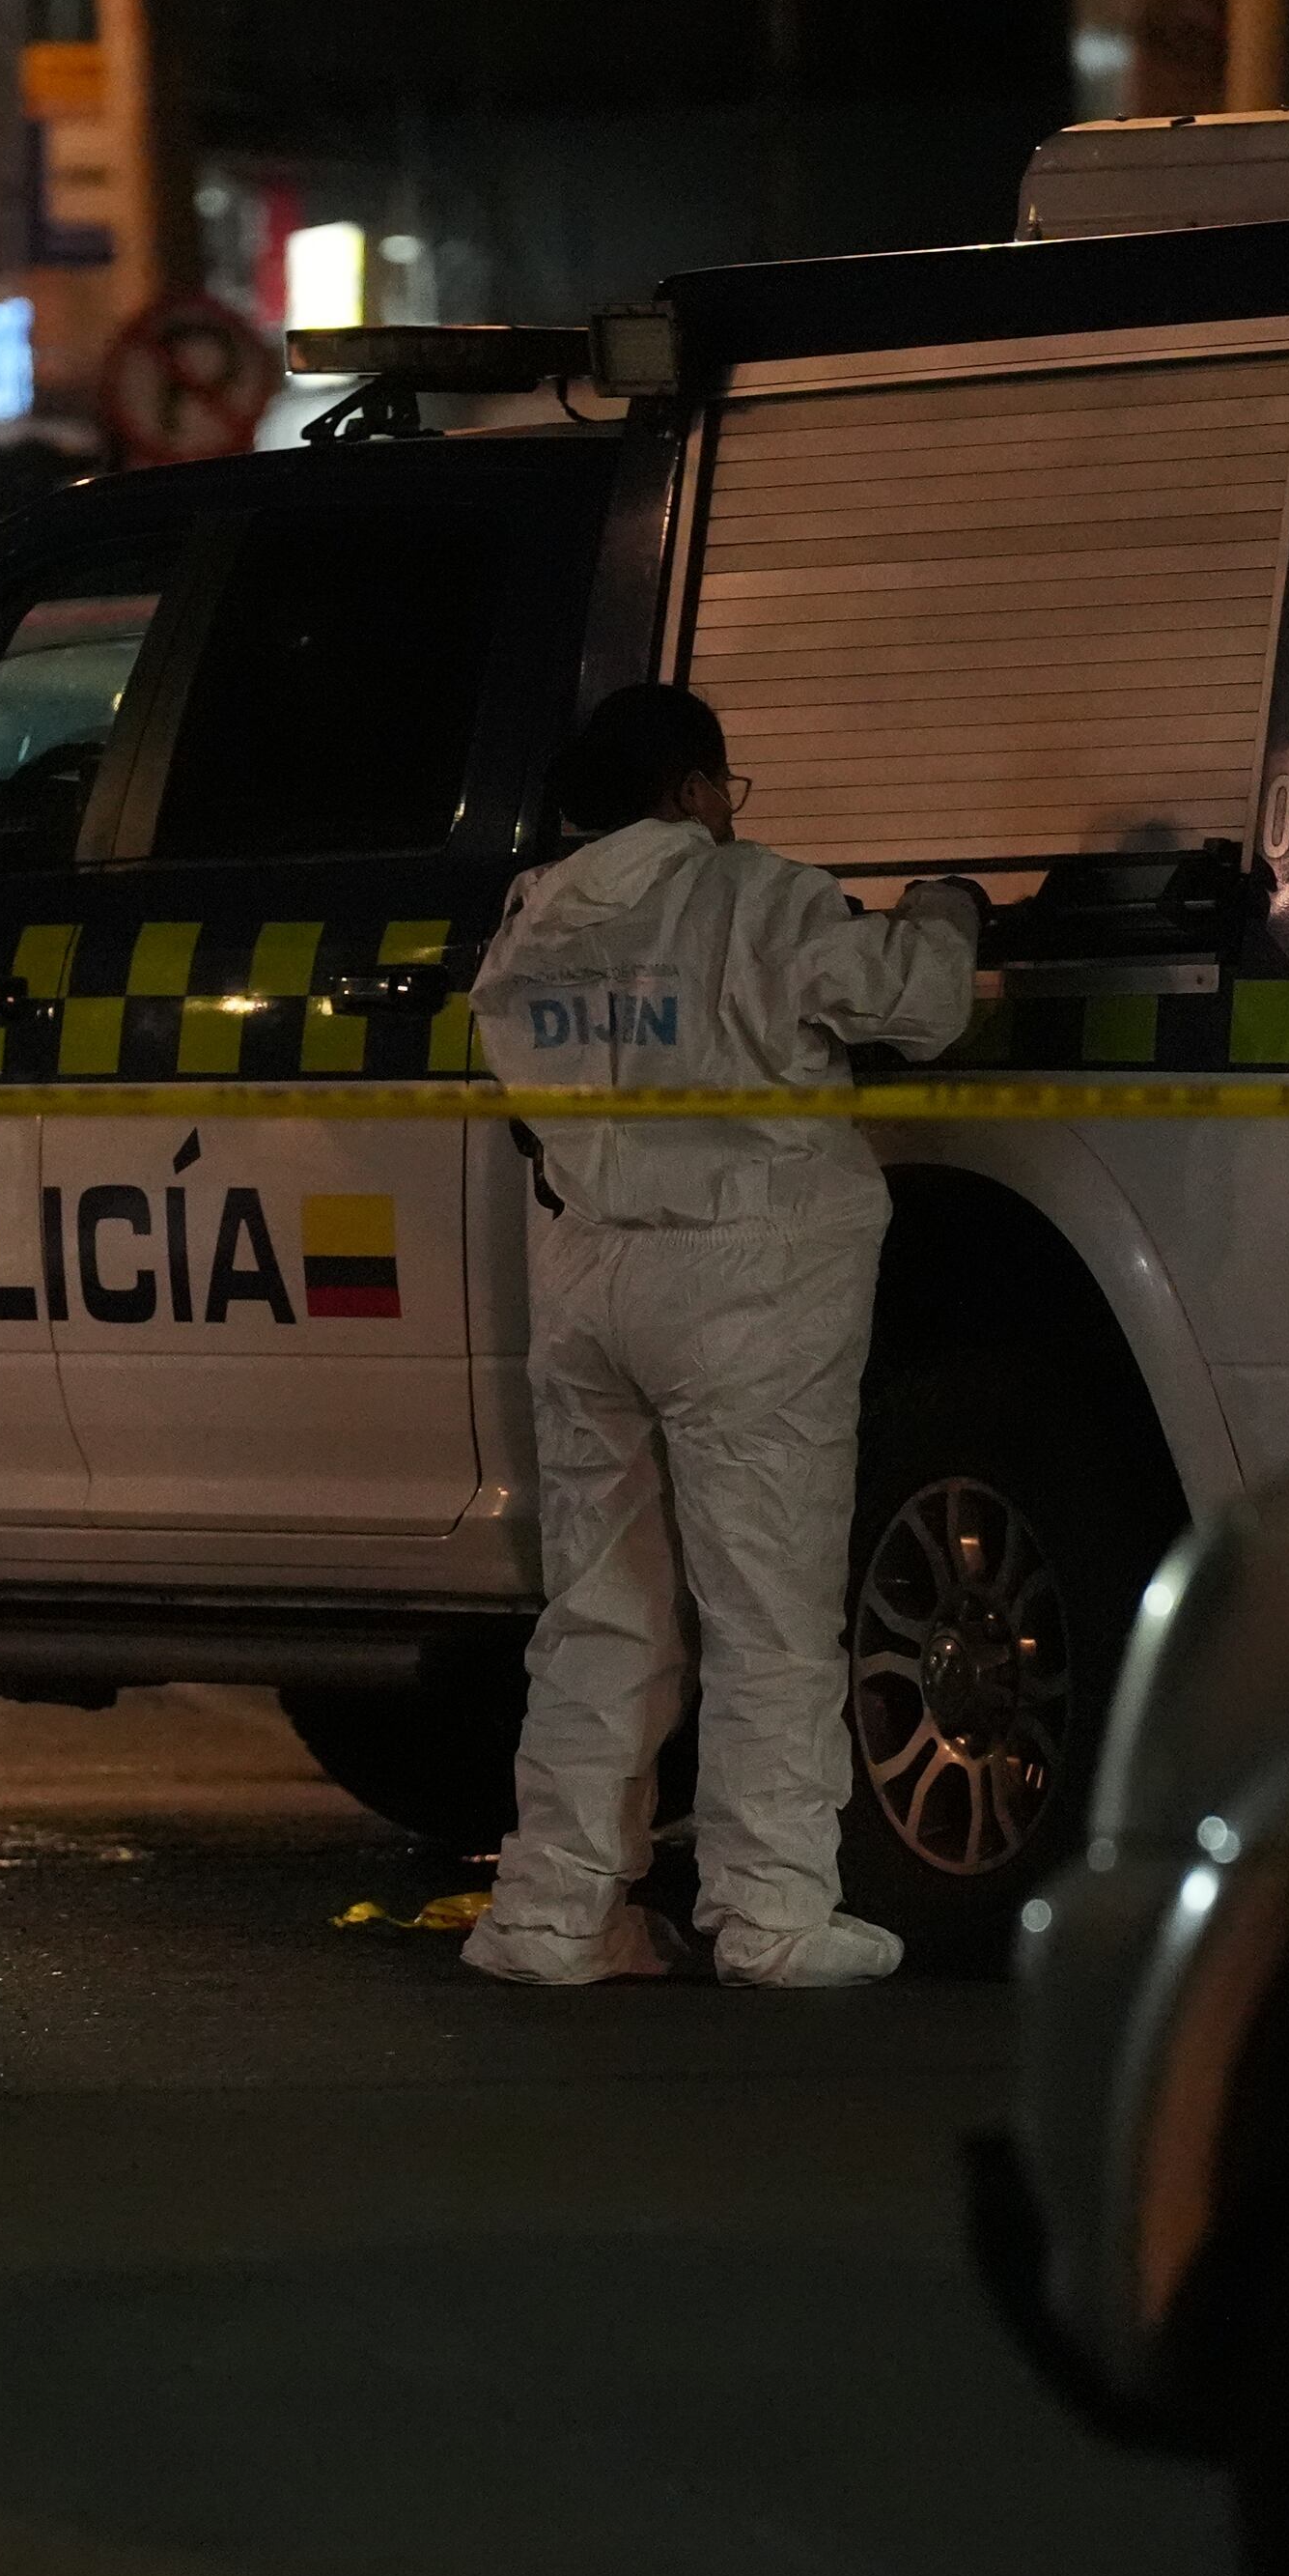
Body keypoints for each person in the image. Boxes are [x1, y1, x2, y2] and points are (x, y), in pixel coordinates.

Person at [461, 683, 983, 1993]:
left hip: (588, 1279)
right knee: (768, 1607)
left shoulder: (533, 922)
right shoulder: (756, 895)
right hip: (751, 1285)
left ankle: (553, 1913)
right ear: (697, 789)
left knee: (600, 1614)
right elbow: (918, 1006)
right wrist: (948, 910)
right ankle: (772, 1913)